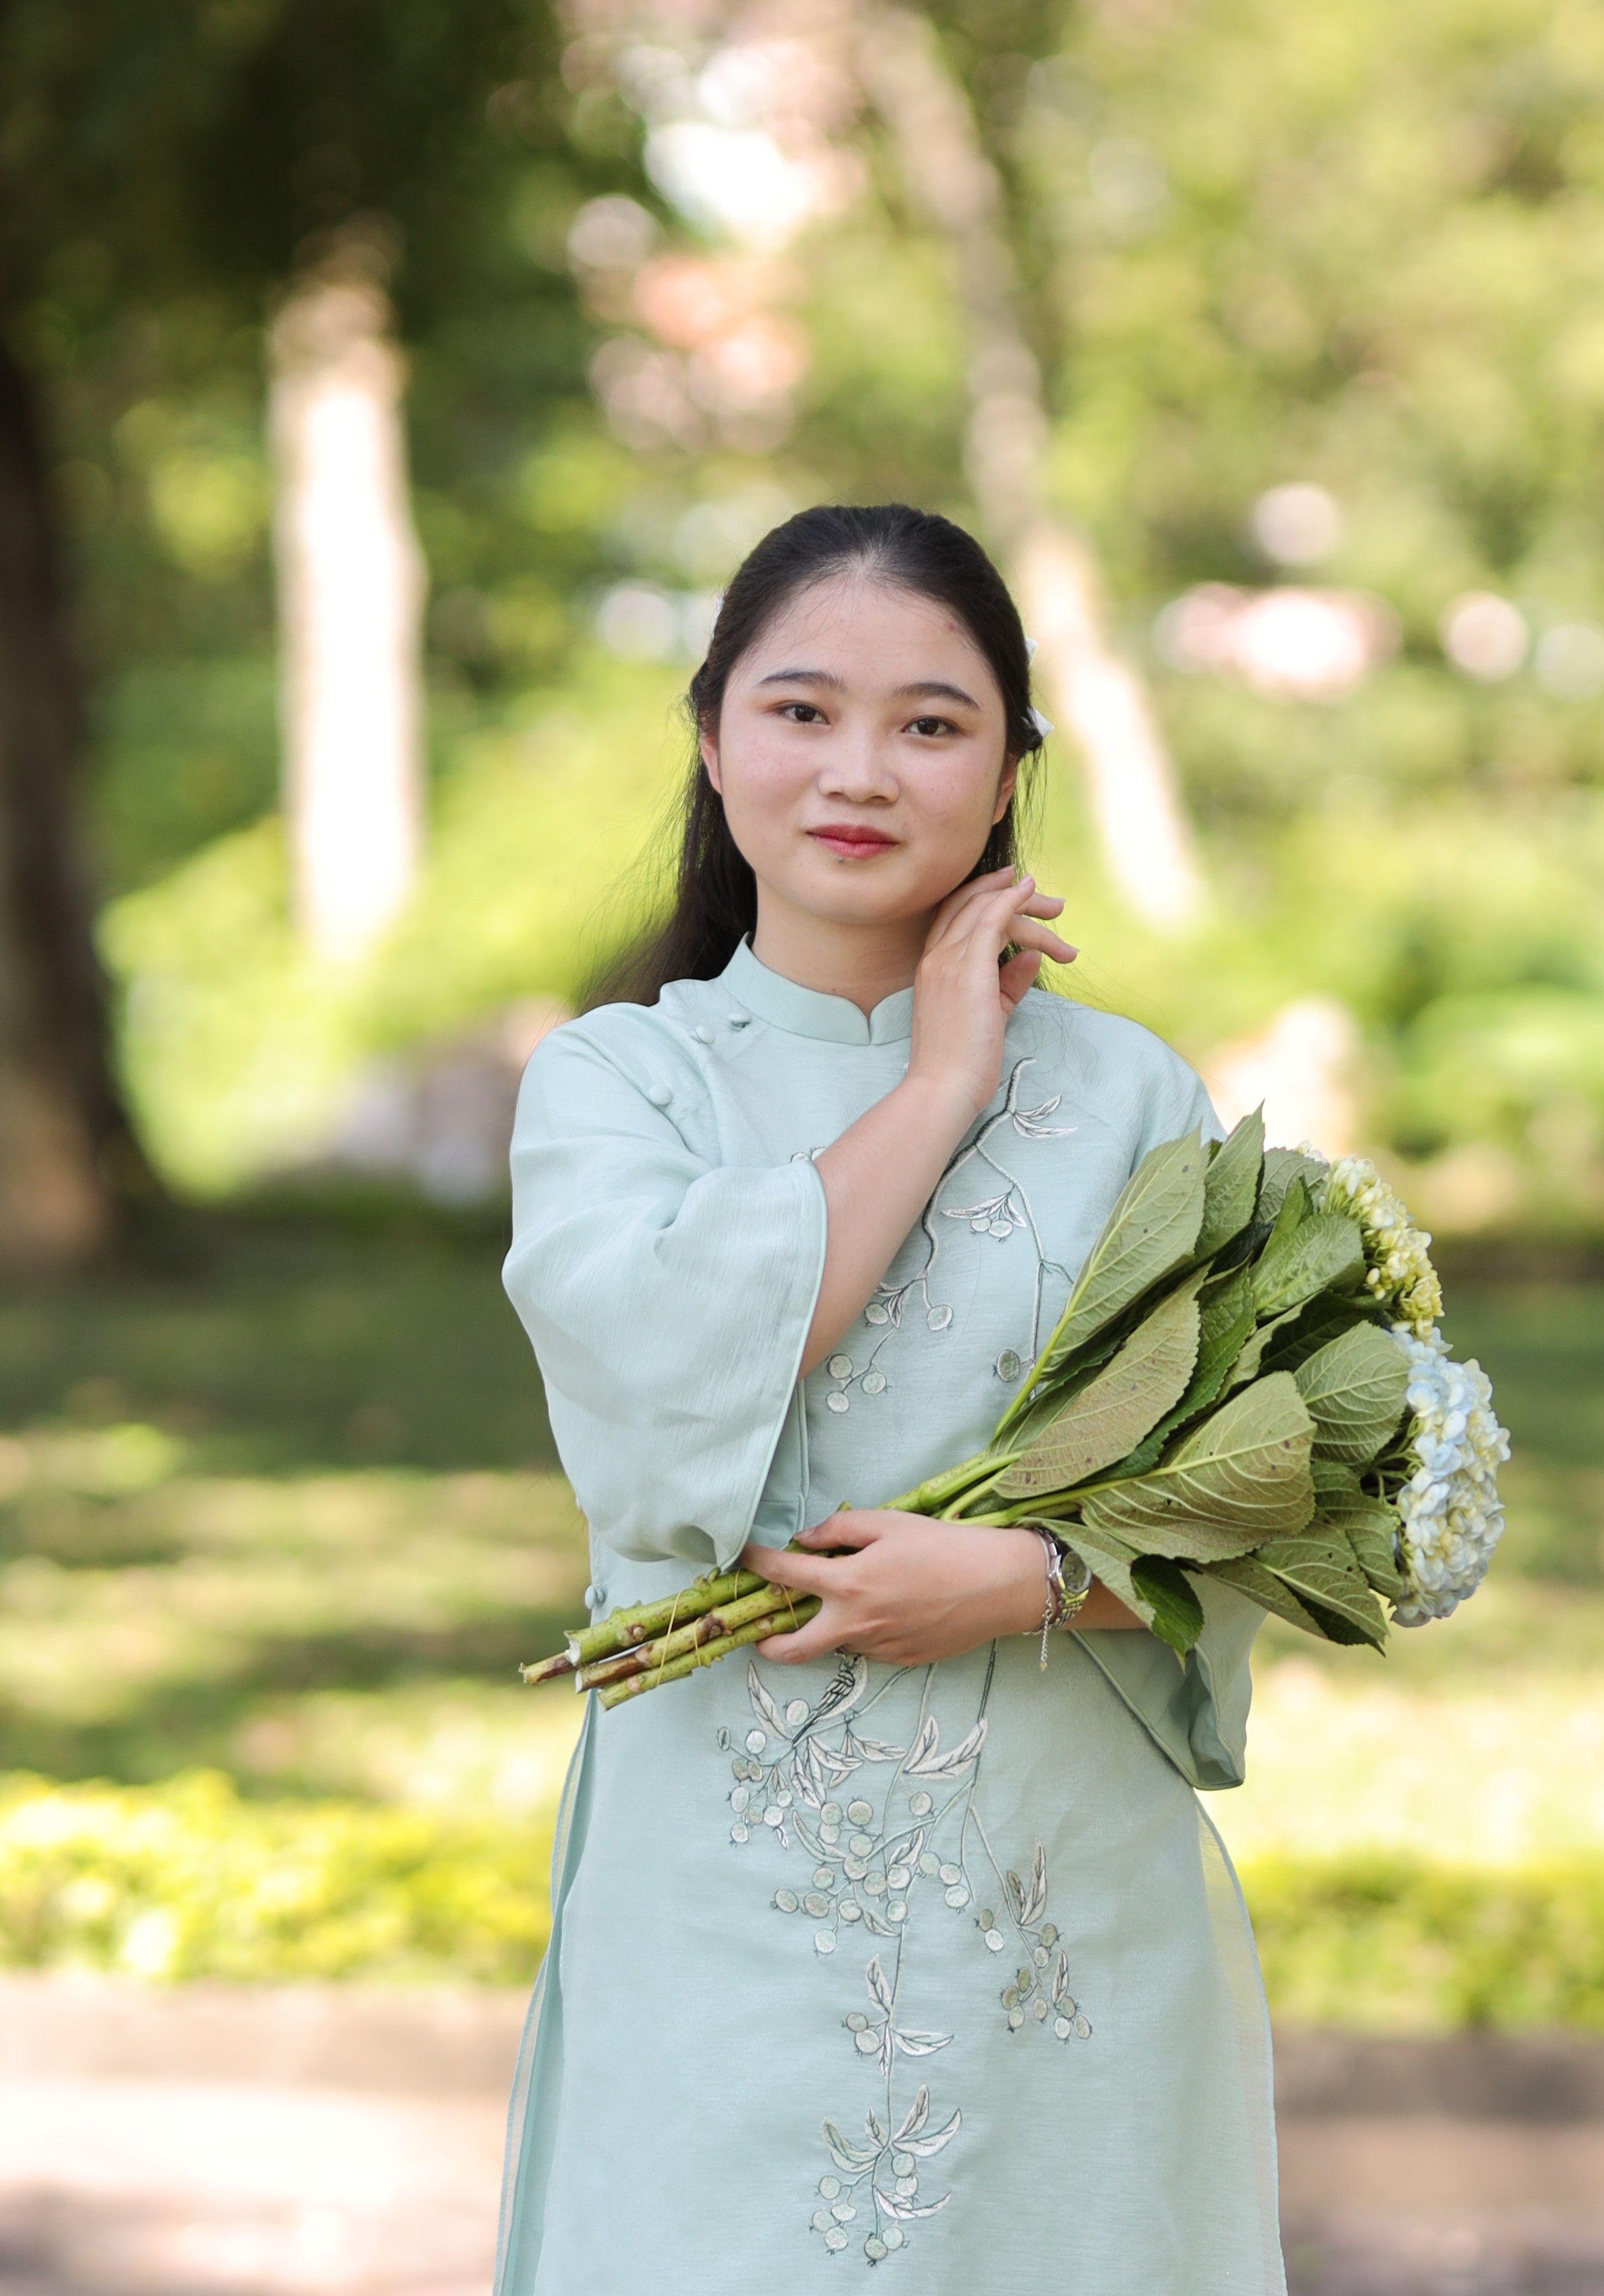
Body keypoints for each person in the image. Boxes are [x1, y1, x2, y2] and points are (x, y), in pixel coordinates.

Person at [496, 504, 1283, 2293]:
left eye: (932, 723)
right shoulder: (619, 1085)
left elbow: (1264, 1477)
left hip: (1059, 1907)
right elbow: (660, 1416)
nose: (861, 770)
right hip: (720, 1903)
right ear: (711, 740)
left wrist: (1027, 1579)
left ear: (1011, 770)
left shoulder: (1137, 1098)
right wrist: (940, 1080)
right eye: (800, 712)